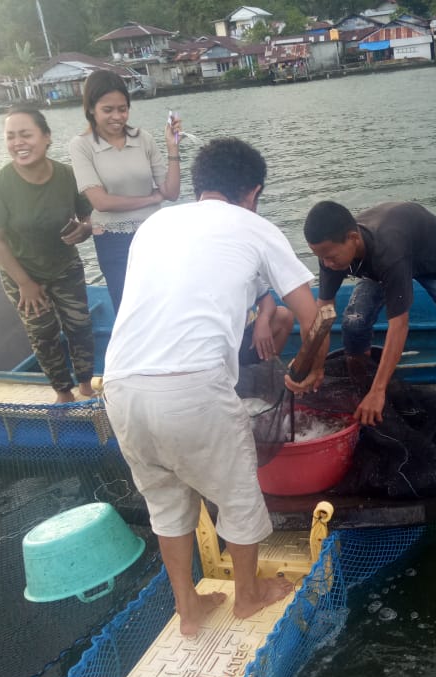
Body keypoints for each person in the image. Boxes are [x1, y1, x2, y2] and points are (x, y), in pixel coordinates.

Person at [102, 137, 323, 637]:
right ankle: (248, 596)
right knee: (237, 492)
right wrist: (312, 368)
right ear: (253, 192)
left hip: (121, 382)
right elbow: (314, 316)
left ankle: (188, 607)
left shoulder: (155, 224)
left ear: (199, 184)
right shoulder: (254, 225)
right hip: (191, 386)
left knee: (165, 500)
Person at [303, 201, 436, 425]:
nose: (326, 264)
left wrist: (379, 390)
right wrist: (314, 366)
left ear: (353, 238)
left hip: (435, 260)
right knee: (354, 323)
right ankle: (361, 390)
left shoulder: (388, 252)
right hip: (383, 266)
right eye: (321, 257)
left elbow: (399, 325)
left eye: (331, 257)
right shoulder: (329, 253)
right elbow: (323, 313)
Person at [0, 106, 95, 404]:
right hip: (22, 271)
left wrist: (85, 229)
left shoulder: (67, 175)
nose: (18, 143)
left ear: (46, 137)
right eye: (10, 136)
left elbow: (88, 215)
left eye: (26, 135)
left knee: (80, 325)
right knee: (44, 334)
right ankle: (63, 392)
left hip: (64, 265)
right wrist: (25, 284)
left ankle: (86, 385)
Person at [69, 69, 182, 313]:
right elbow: (101, 202)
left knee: (165, 304)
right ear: (91, 109)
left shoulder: (143, 139)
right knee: (128, 309)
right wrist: (152, 198)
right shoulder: (81, 146)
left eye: (123, 109)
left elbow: (171, 192)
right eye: (108, 110)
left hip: (154, 234)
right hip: (113, 240)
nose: (117, 116)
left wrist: (173, 147)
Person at [240, 285, 294, 367]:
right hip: (223, 343)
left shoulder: (249, 278)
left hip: (242, 338)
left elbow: (268, 301)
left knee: (283, 315)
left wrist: (263, 320)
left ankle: (267, 368)